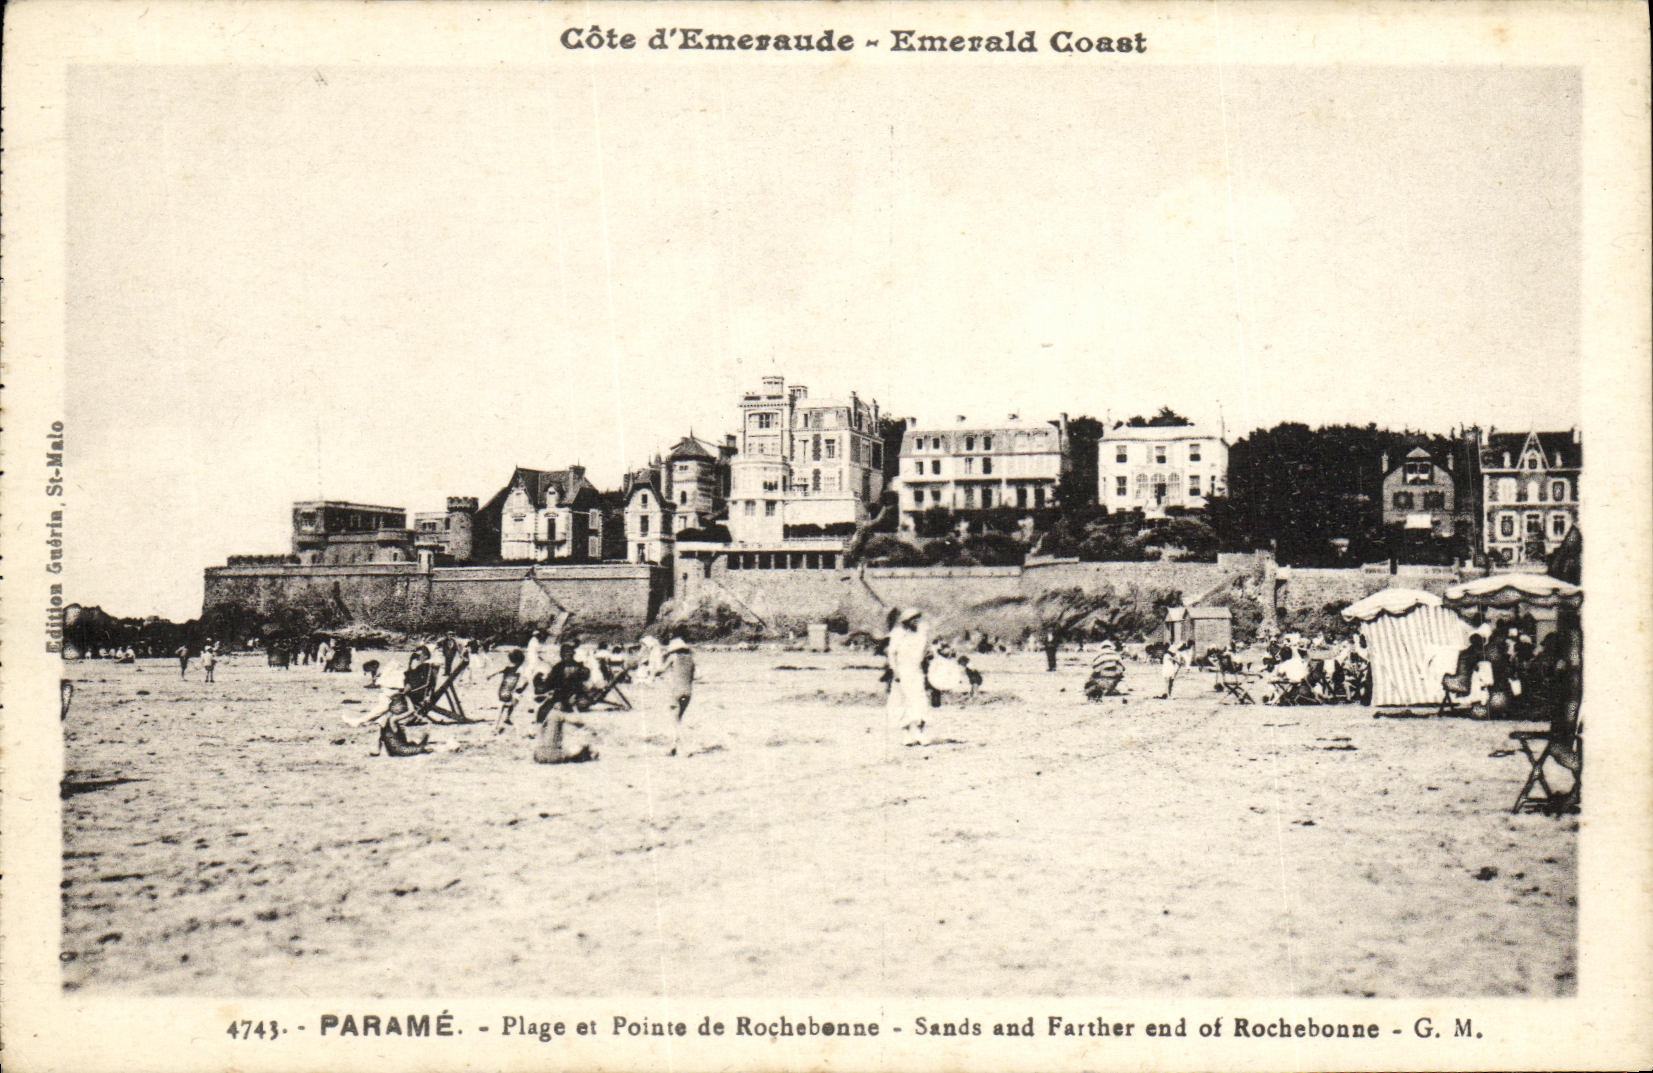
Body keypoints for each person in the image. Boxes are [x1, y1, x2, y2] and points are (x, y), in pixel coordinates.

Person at [885, 607, 933, 748]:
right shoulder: (898, 634)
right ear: (907, 621)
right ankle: (906, 735)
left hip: (917, 672)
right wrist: (895, 671)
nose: (917, 621)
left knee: (920, 701)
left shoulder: (921, 635)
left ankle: (920, 733)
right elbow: (891, 654)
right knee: (903, 702)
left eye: (918, 618)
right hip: (902, 672)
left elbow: (925, 653)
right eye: (914, 619)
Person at [655, 633, 696, 756]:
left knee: (675, 721)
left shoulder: (673, 656)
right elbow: (693, 676)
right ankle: (673, 747)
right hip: (688, 692)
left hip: (676, 691)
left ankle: (685, 749)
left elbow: (661, 670)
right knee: (678, 719)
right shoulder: (691, 659)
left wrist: (660, 660)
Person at [488, 649, 528, 734]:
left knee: (502, 707)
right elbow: (525, 681)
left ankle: (497, 724)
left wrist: (490, 676)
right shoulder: (520, 670)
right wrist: (523, 688)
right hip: (510, 692)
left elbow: (499, 672)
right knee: (514, 701)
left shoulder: (507, 668)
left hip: (502, 691)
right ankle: (506, 718)